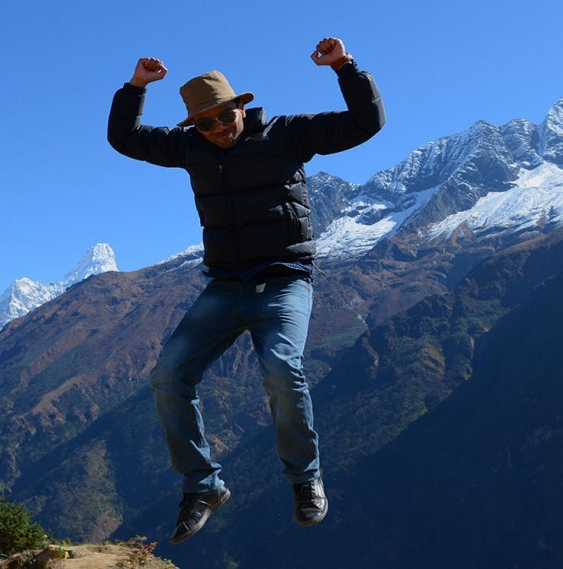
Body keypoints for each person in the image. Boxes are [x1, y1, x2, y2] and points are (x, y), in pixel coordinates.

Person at [106, 37, 384, 545]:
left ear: (241, 106)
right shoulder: (190, 147)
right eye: (205, 124)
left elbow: (366, 123)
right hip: (224, 286)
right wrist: (136, 87)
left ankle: (306, 480)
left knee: (281, 369)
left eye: (223, 117)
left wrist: (345, 67)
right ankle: (203, 486)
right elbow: (125, 138)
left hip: (283, 281)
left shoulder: (288, 134)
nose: (217, 130)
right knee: (168, 377)